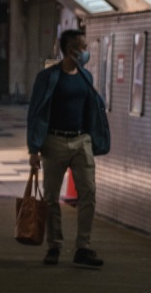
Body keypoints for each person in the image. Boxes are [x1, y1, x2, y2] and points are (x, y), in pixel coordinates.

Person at [26, 29, 110, 268]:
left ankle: (83, 247)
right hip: (54, 142)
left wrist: (93, 139)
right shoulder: (48, 77)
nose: (86, 52)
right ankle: (54, 246)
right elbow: (35, 113)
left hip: (81, 141)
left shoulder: (86, 77)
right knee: (51, 197)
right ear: (70, 49)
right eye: (82, 47)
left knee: (89, 194)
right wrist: (34, 149)